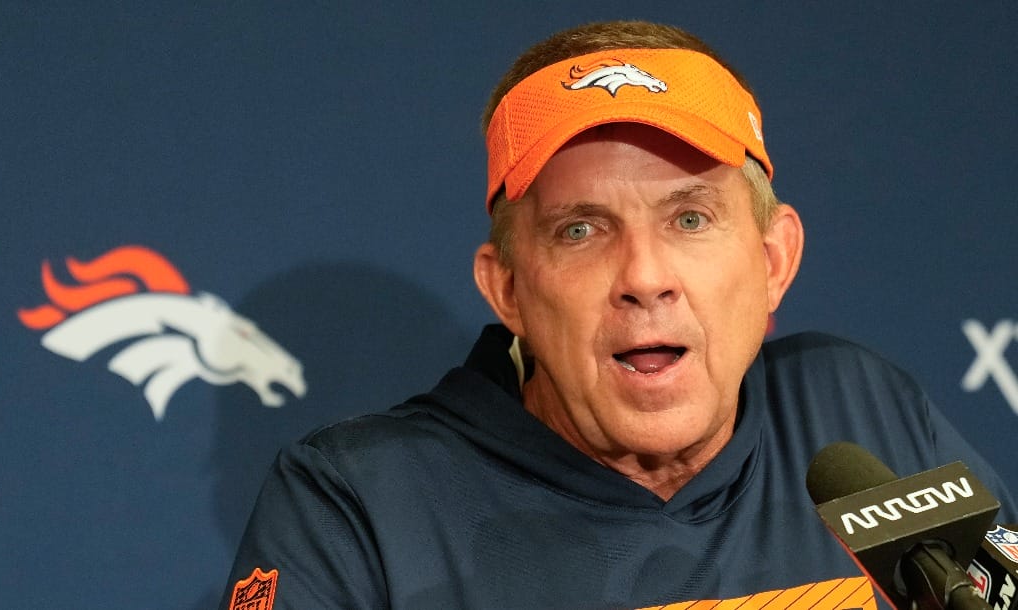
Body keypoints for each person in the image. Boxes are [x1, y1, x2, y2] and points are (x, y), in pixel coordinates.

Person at [219, 20, 1016, 609]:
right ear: (509, 291)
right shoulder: (360, 500)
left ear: (774, 260)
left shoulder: (857, 408)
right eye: (581, 230)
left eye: (691, 218)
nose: (644, 276)